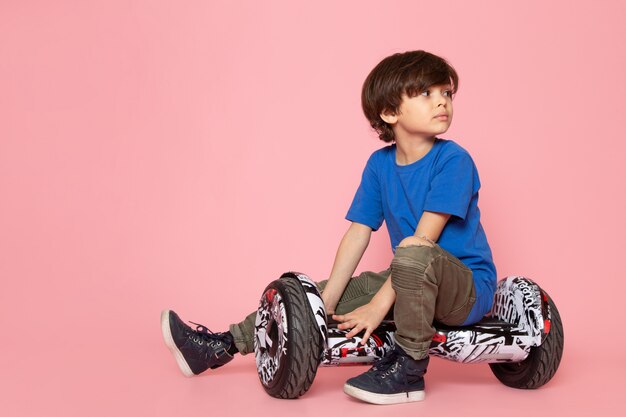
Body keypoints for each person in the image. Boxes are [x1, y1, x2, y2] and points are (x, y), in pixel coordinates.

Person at [161, 50, 497, 405]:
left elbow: (424, 242)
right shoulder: (379, 165)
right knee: (319, 294)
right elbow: (358, 232)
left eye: (447, 93)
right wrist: (324, 306)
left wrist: (378, 307)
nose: (442, 102)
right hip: (410, 275)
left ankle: (409, 371)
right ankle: (219, 346)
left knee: (412, 253)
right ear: (389, 112)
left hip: (467, 289)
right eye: (427, 94)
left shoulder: (454, 160)